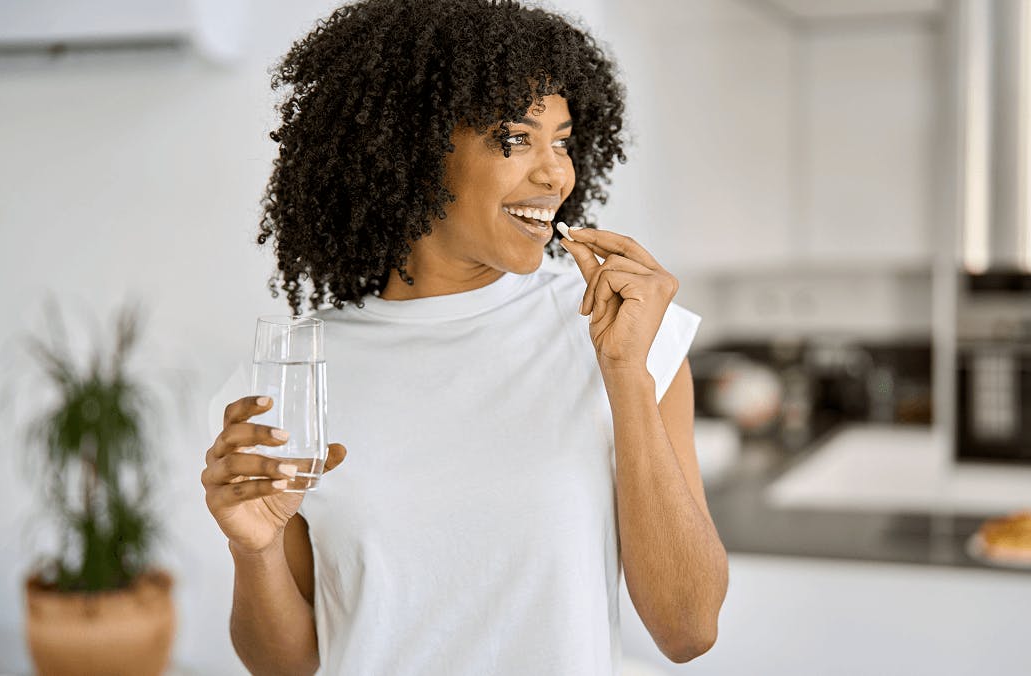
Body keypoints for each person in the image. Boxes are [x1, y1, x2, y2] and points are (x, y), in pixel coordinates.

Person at [200, 1, 729, 673]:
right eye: (516, 139)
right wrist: (254, 551)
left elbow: (689, 629)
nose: (556, 174)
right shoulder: (299, 371)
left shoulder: (620, 329)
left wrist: (626, 374)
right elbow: (289, 666)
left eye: (562, 141)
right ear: (413, 150)